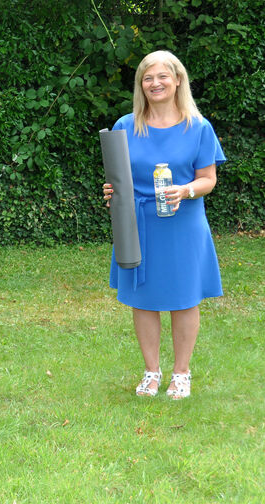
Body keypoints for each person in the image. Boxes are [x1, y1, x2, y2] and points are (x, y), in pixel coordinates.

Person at [102, 50, 225, 399]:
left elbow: (208, 179)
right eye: (147, 78)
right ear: (141, 85)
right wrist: (113, 190)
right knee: (144, 298)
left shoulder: (198, 127)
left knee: (185, 298)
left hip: (183, 223)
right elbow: (119, 179)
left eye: (162, 77)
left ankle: (181, 374)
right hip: (139, 224)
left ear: (177, 80)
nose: (155, 83)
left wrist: (186, 190)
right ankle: (151, 372)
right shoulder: (126, 125)